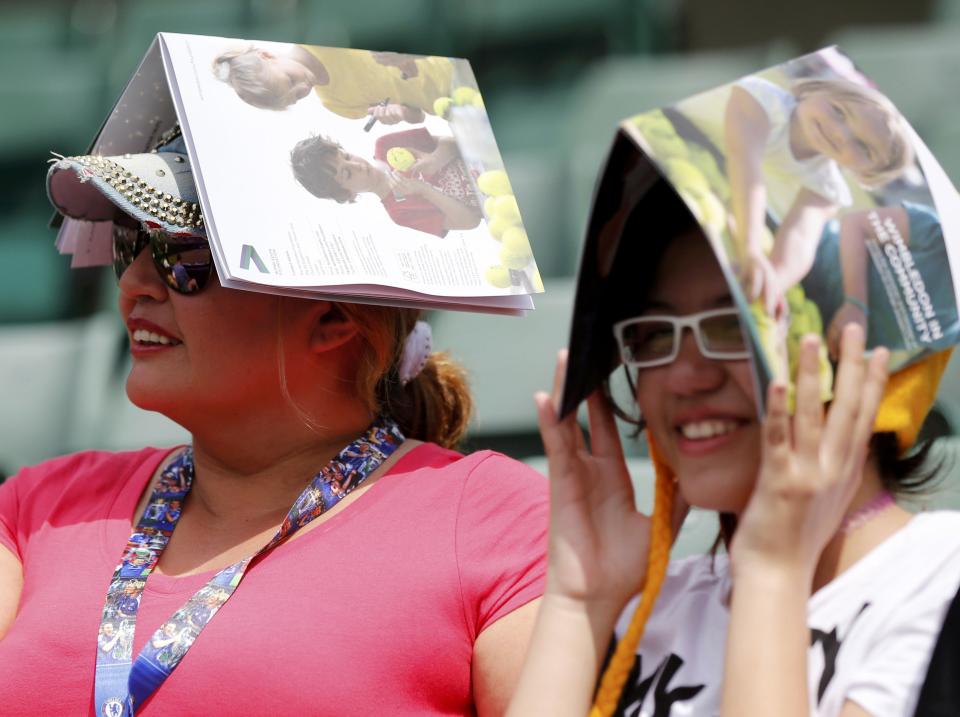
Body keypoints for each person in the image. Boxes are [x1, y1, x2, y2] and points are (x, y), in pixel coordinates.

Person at [0, 129, 548, 715]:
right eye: (128, 244)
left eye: (184, 257)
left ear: (333, 318)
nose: (134, 286)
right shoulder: (44, 505)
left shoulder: (500, 522)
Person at [507, 195, 960, 716]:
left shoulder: (939, 587)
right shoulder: (649, 608)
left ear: (858, 352)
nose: (683, 375)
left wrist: (771, 576)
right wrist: (579, 599)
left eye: (737, 325)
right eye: (655, 334)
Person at [723, 76, 914, 314]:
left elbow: (800, 238)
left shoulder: (827, 185)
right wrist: (750, 248)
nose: (841, 134)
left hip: (726, 195)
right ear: (817, 88)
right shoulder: (762, 101)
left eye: (863, 147)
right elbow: (744, 163)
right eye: (839, 111)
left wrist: (771, 283)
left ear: (867, 172)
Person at [801, 203, 960, 360]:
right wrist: (855, 304)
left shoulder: (954, 332)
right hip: (811, 269)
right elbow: (854, 224)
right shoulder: (935, 232)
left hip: (825, 340)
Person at [290, 131, 482, 237]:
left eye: (346, 156)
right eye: (347, 173)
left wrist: (434, 161)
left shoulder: (386, 145)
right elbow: (471, 221)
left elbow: (452, 141)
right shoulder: (399, 213)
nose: (357, 165)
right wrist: (425, 190)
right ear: (348, 194)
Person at [212, 43, 453, 123]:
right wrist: (400, 113)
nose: (303, 88)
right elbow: (418, 117)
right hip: (454, 104)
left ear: (267, 56)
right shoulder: (335, 102)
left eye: (290, 80)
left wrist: (408, 53)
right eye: (295, 97)